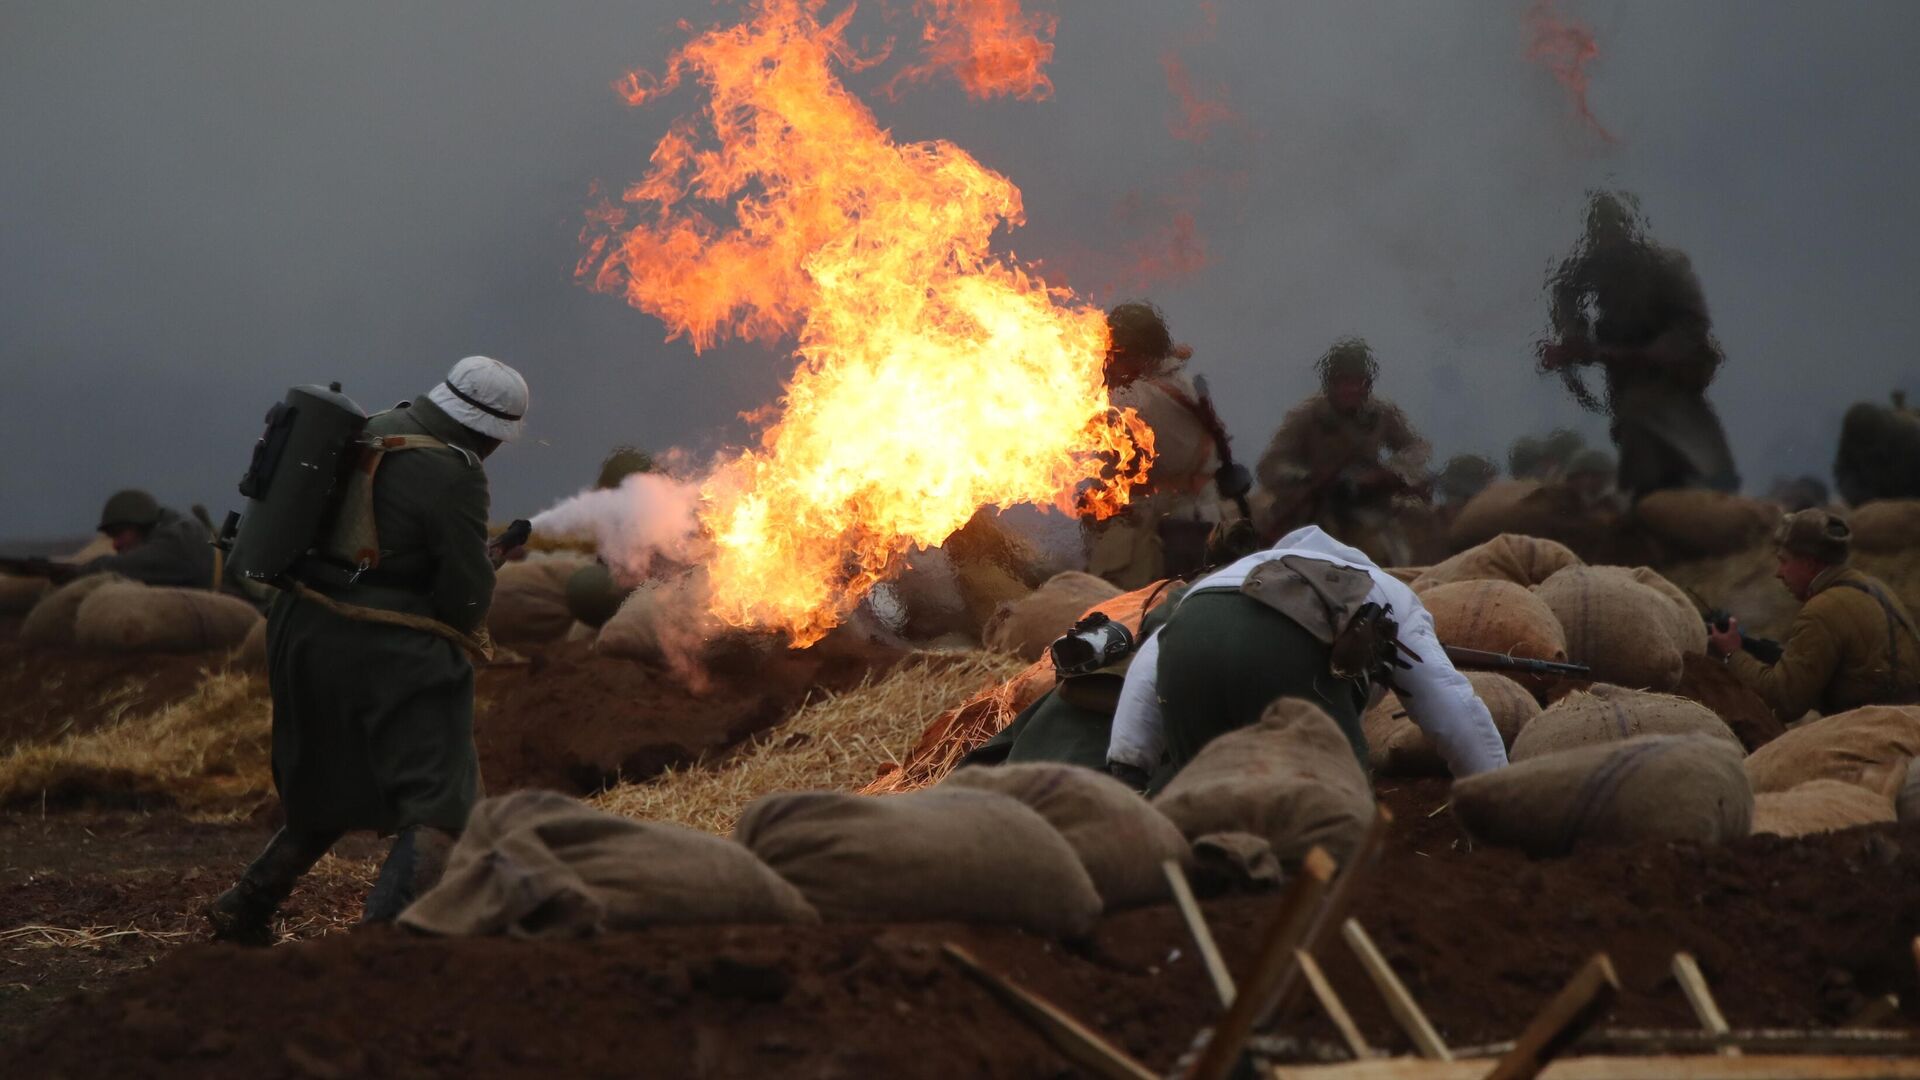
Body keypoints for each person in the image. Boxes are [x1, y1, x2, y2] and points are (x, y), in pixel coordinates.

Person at [207, 355, 529, 944]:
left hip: (301, 629)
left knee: (328, 779)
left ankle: (245, 905)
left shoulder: (372, 426)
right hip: (385, 645)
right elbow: (462, 597)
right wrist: (485, 569)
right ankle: (385, 940)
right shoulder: (457, 471)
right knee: (441, 796)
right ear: (488, 433)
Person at [1105, 526, 1508, 793]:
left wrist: (1129, 763)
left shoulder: (1223, 579)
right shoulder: (1385, 590)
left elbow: (1153, 658)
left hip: (1188, 648)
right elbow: (1450, 705)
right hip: (1285, 661)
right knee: (1335, 809)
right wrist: (1497, 794)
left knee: (1206, 798)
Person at [1538, 191, 1740, 500]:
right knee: (1637, 427)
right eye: (1599, 229)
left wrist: (1648, 354)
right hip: (1629, 380)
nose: (1605, 237)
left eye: (1612, 228)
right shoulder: (1590, 267)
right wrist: (1573, 338)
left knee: (1687, 447)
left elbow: (1691, 324)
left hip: (1673, 374)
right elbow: (1565, 292)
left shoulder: (1664, 267)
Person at [1709, 509, 1920, 722]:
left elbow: (1784, 701)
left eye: (1784, 561)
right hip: (1909, 722)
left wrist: (1732, 653)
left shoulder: (1821, 610)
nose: (1778, 573)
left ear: (1809, 563)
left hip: (1871, 731)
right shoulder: (1876, 587)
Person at [1084, 301, 1237, 589]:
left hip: (1168, 533)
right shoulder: (1181, 380)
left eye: (1116, 354)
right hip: (1205, 516)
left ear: (1137, 354)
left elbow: (1107, 470)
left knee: (1116, 600)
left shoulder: (1136, 399)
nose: (1110, 361)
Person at [1255, 338, 1430, 566]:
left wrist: (1389, 472)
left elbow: (1416, 448)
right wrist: (1307, 477)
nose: (1351, 389)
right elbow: (1272, 464)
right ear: (1331, 384)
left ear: (1367, 385)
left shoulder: (1380, 414)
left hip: (1365, 508)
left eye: (1358, 382)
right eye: (1344, 382)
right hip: (1312, 512)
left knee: (1387, 556)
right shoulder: (1307, 416)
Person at [28, 489, 224, 589]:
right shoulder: (175, 530)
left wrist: (81, 571)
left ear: (142, 525)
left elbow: (140, 564)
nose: (115, 544)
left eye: (120, 533)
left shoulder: (181, 539)